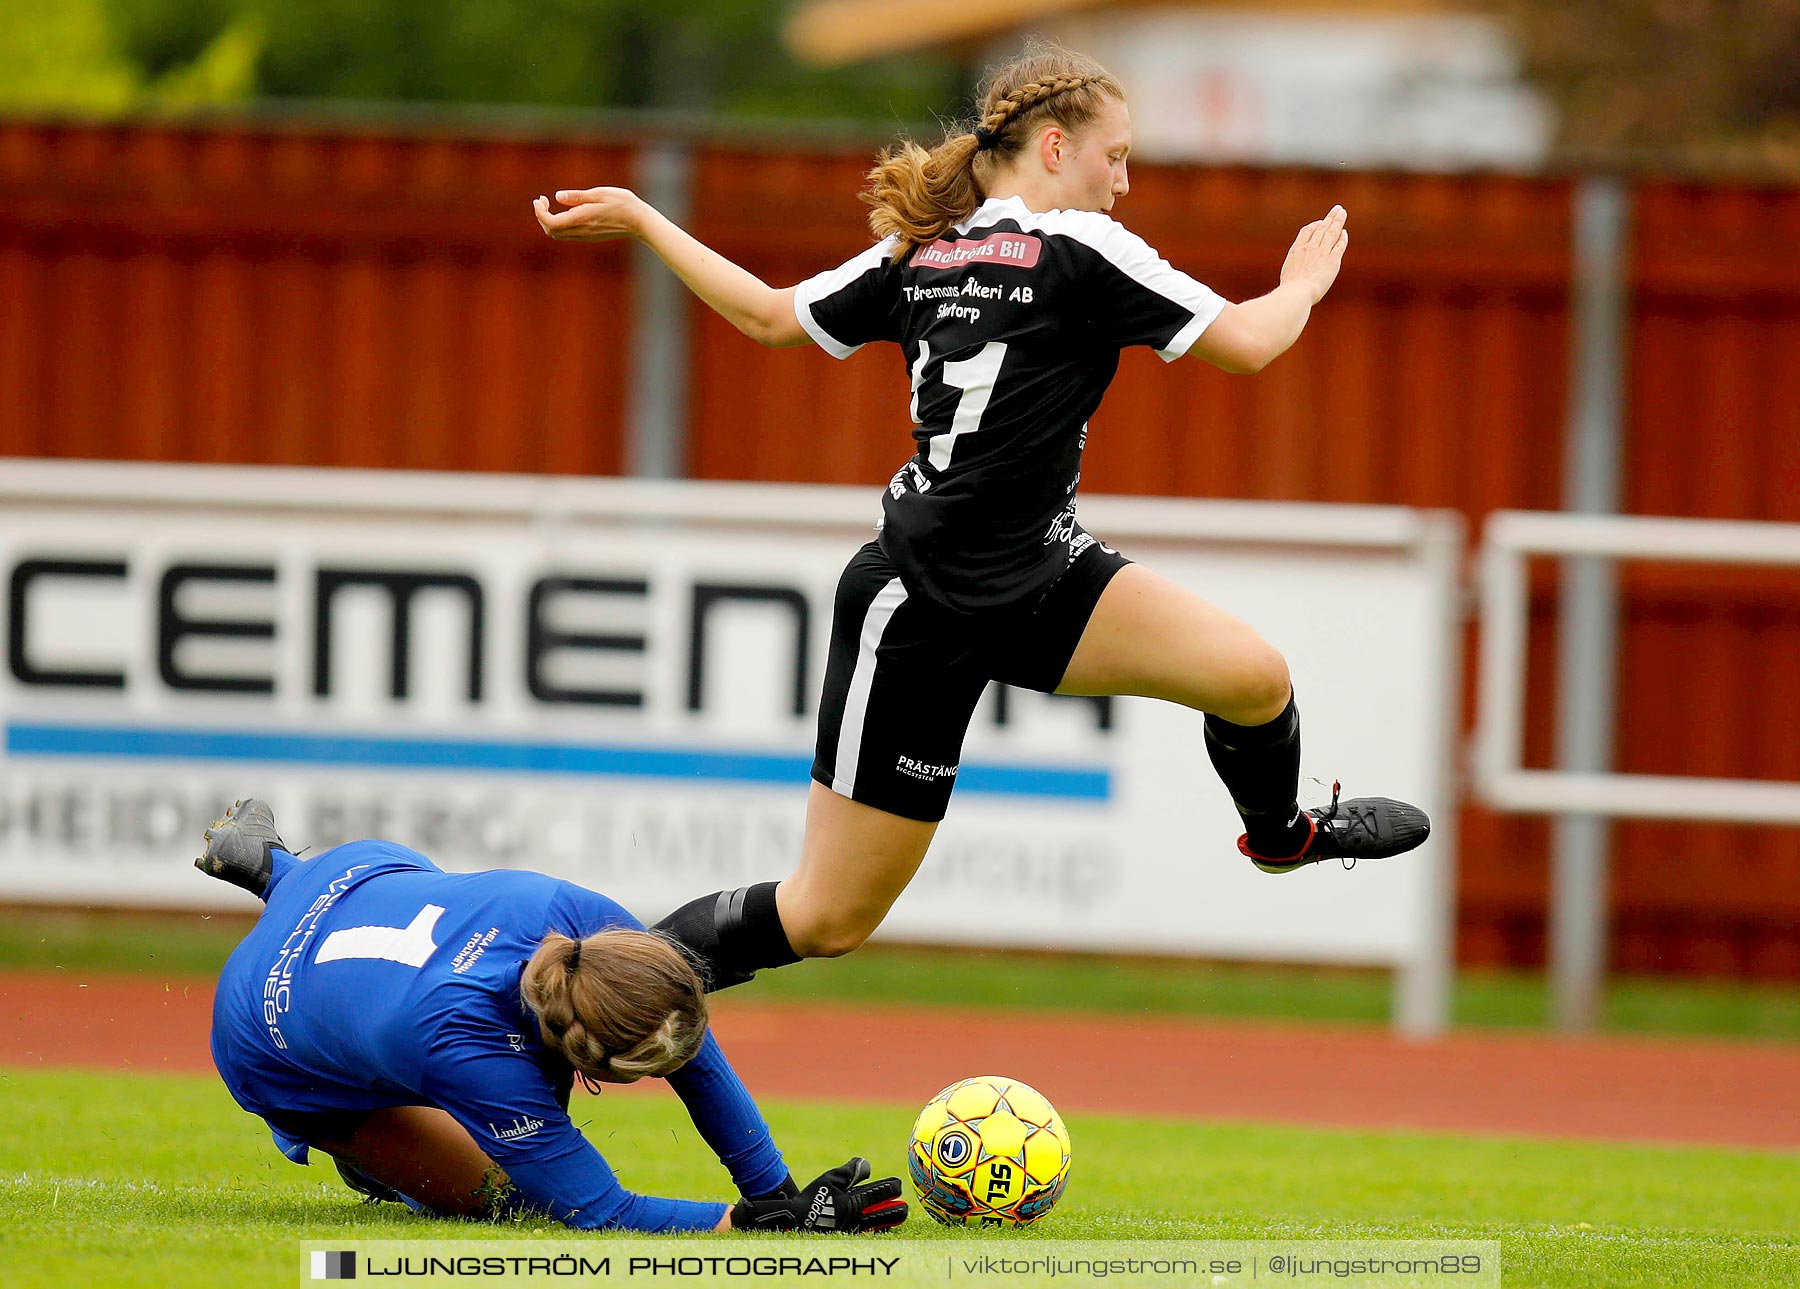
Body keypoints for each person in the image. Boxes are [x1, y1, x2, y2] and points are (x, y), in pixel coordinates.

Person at [532, 41, 1431, 993]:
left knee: (1253, 677)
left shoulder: (926, 248)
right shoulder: (1080, 246)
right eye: (1114, 155)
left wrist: (643, 220)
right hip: (919, 607)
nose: (1123, 182)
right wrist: (1299, 287)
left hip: (1043, 576)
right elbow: (1249, 345)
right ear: (1053, 147)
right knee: (826, 917)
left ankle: (1283, 837)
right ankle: (597, 992)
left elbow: (766, 314)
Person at [198, 798, 907, 1233]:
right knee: (505, 1198)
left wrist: (779, 1193)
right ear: (591, 1063)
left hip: (353, 875)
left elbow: (698, 1058)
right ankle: (373, 1154)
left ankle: (274, 867)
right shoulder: (473, 1052)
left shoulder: (591, 927)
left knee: (406, 1013)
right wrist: (756, 1224)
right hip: (258, 1026)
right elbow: (597, 1209)